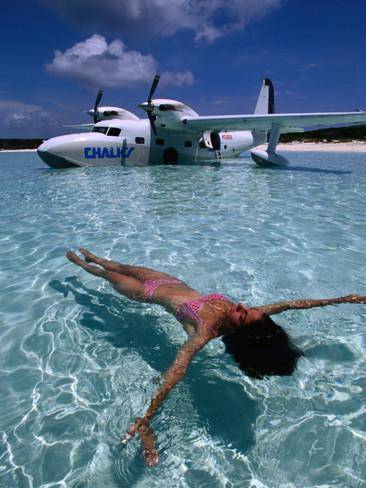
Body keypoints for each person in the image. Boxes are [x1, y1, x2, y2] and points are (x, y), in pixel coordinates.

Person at [66, 248, 366, 466]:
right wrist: (342, 299)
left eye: (243, 314)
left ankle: (80, 270)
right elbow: (292, 305)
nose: (243, 305)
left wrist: (146, 420)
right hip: (168, 280)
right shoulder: (251, 317)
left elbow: (176, 371)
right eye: (247, 309)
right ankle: (90, 256)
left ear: (238, 330)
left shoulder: (206, 330)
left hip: (147, 294)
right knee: (116, 264)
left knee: (106, 275)